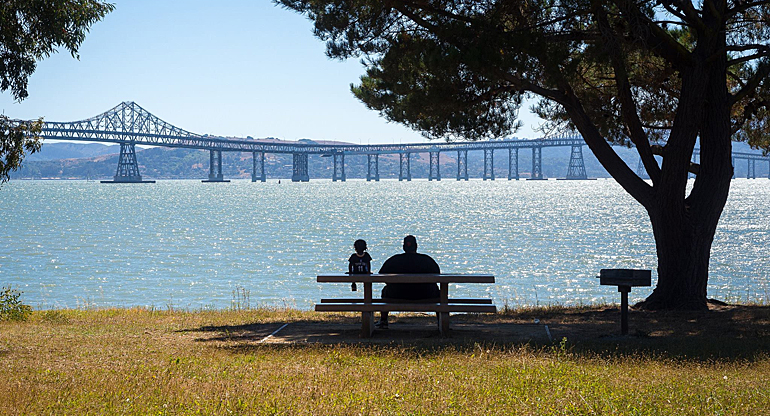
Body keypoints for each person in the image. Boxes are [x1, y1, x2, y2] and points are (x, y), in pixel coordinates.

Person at [376, 235, 440, 329]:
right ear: (416, 246)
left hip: (397, 295)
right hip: (425, 296)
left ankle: (384, 320)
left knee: (385, 290)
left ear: (403, 247)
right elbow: (437, 276)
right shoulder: (427, 260)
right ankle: (441, 320)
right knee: (438, 291)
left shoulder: (394, 260)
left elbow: (381, 276)